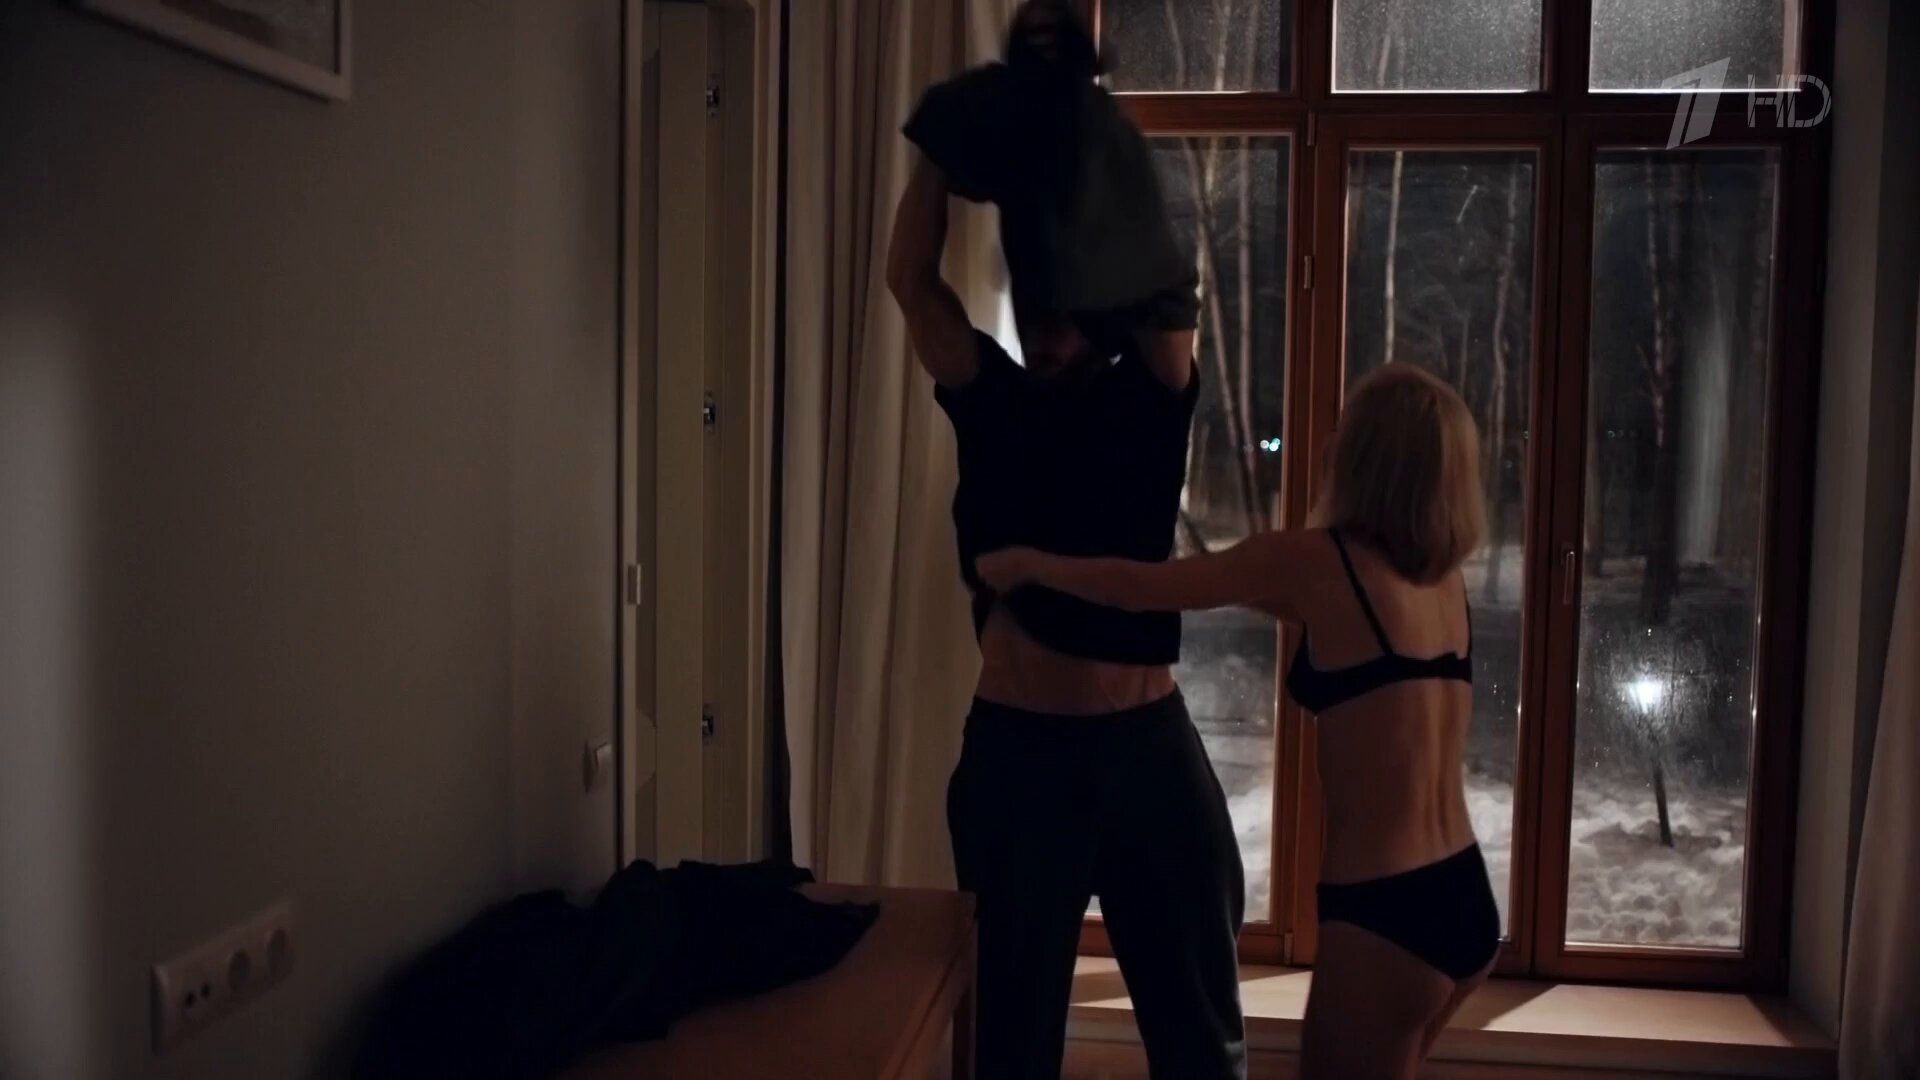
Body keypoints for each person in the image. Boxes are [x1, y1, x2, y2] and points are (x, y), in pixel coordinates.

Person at [885, 5, 1246, 1077]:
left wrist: (1102, 145)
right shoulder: (988, 396)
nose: (1043, 330)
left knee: (1201, 1040)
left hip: (1147, 754)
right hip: (1021, 759)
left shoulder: (1147, 402)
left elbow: (1171, 304)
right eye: (1036, 313)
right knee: (1009, 1045)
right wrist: (940, 151)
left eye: (1064, 314)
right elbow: (911, 281)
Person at [979, 364, 1500, 1080]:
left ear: (1362, 456)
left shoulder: (1320, 561)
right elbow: (1258, 594)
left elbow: (1141, 589)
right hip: (1463, 901)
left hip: (1387, 918)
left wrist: (1032, 566)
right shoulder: (1442, 583)